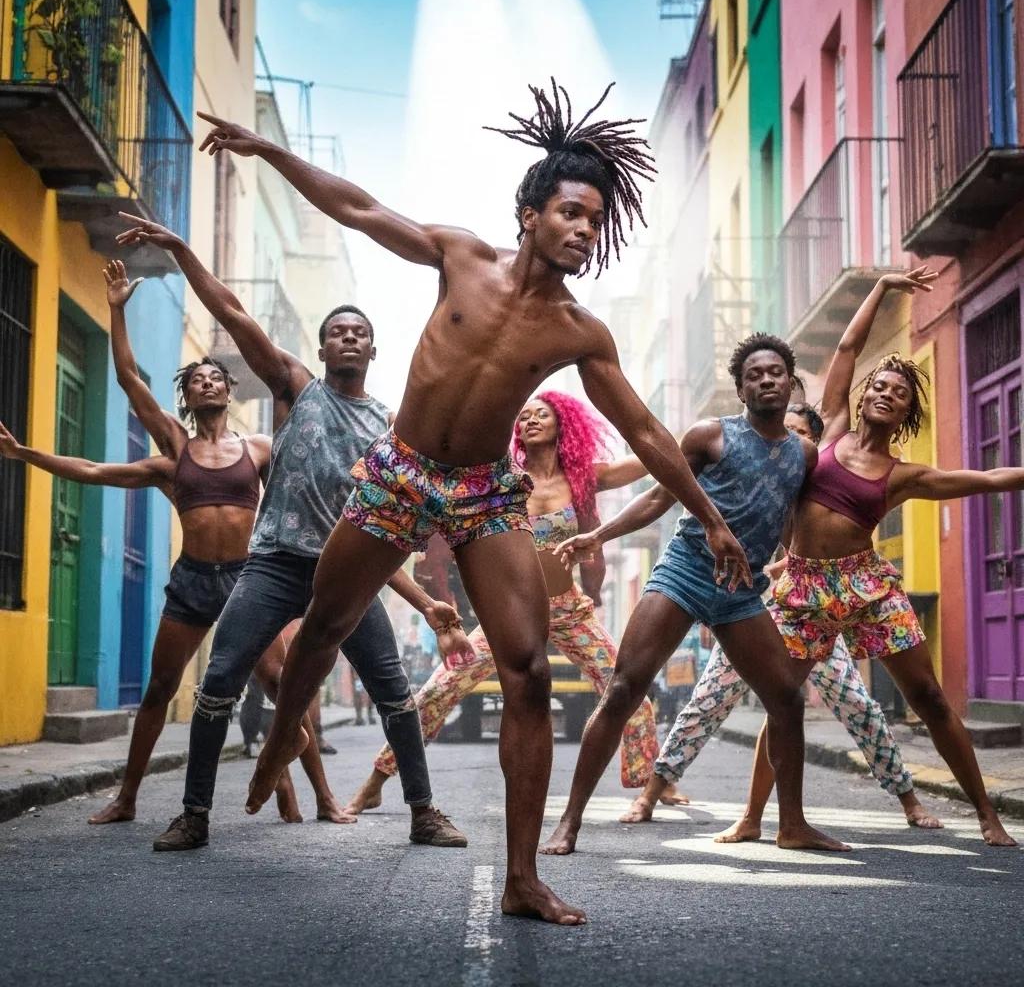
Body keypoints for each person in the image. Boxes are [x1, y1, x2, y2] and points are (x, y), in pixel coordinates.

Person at [194, 81, 752, 926]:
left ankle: (522, 878)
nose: (582, 230)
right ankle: (281, 735)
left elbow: (641, 428)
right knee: (326, 625)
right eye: (570, 211)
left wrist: (709, 517)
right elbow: (357, 207)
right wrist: (270, 151)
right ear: (530, 212)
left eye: (595, 221)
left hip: (486, 493)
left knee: (526, 673)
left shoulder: (578, 331)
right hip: (400, 469)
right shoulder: (460, 256)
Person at [113, 217, 469, 853]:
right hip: (275, 565)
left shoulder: (390, 431)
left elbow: (386, 533)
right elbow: (234, 312)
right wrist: (183, 251)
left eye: (359, 332)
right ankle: (194, 815)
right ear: (324, 350)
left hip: (349, 577)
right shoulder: (297, 389)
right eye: (337, 333)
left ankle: (424, 811)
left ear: (372, 350)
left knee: (392, 689)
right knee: (220, 676)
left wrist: (425, 601)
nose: (348, 338)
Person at [0, 260, 342, 825]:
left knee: (283, 684)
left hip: (246, 583)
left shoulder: (257, 449)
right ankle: (128, 798)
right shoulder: (172, 452)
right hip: (191, 584)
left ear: (229, 391)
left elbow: (307, 482)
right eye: (196, 380)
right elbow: (108, 428)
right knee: (159, 688)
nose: (207, 382)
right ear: (185, 397)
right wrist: (27, 454)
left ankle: (318, 796)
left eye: (215, 378)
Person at [727, 267, 1018, 847]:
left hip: (868, 586)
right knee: (783, 701)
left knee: (930, 698)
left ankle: (987, 813)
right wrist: (883, 288)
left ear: (907, 411)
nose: (886, 392)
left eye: (900, 391)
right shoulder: (829, 427)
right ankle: (756, 817)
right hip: (804, 586)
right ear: (863, 397)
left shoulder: (904, 475)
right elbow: (847, 346)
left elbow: (984, 477)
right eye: (880, 386)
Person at [541, 333, 851, 856]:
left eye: (775, 372)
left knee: (786, 700)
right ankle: (569, 820)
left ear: (791, 381)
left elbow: (789, 523)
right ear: (740, 389)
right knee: (623, 689)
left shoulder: (804, 454)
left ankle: (792, 824)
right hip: (685, 573)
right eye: (754, 375)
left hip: (742, 591)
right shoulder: (710, 436)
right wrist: (600, 535)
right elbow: (661, 495)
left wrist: (801, 571)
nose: (767, 380)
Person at [343, 391, 677, 817]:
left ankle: (652, 785)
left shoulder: (583, 477)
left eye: (542, 414)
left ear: (563, 425)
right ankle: (376, 780)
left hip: (568, 609)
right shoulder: (503, 477)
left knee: (628, 689)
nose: (530, 420)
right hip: (515, 611)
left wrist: (687, 442)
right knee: (439, 689)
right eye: (522, 416)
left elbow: (651, 460)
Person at [621, 401, 941, 832]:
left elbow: (816, 548)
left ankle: (908, 799)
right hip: (751, 613)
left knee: (857, 704)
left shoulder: (815, 487)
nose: (785, 441)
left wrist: (790, 565)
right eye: (783, 429)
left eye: (800, 434)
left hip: (813, 614)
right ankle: (651, 793)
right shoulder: (754, 484)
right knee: (708, 700)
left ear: (811, 445)